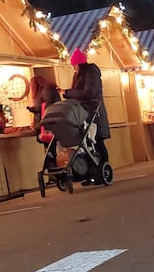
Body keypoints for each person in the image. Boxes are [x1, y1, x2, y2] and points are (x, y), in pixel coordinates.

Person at [64, 48, 110, 184]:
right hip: (84, 114)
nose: (74, 68)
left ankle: (102, 171)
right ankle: (92, 174)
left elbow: (89, 92)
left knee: (97, 142)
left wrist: (68, 93)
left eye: (75, 65)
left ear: (79, 64)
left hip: (94, 113)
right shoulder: (78, 75)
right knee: (88, 145)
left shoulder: (91, 71)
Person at [28, 74, 61, 169]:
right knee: (53, 150)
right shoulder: (50, 89)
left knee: (50, 150)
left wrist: (33, 109)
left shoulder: (45, 91)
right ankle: (55, 171)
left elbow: (45, 107)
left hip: (46, 126)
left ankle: (54, 171)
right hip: (53, 125)